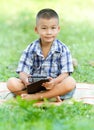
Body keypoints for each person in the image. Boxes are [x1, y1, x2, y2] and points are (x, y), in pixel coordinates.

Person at [7, 8, 76, 101]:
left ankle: (34, 97)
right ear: (36, 29)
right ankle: (48, 96)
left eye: (53, 28)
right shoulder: (30, 49)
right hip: (33, 86)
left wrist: (54, 82)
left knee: (70, 82)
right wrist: (26, 81)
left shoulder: (63, 49)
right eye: (44, 28)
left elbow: (66, 73)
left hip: (54, 85)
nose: (49, 32)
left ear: (58, 29)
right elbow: (22, 71)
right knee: (11, 83)